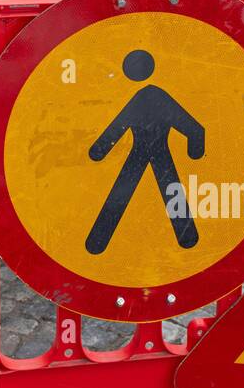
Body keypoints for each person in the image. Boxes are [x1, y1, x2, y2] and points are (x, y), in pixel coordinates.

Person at [85, 49, 205, 255]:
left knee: (122, 193)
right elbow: (192, 126)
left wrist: (100, 149)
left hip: (143, 151)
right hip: (157, 151)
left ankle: (97, 242)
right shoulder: (156, 96)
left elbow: (118, 126)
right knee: (171, 191)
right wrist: (194, 146)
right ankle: (188, 238)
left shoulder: (144, 97)